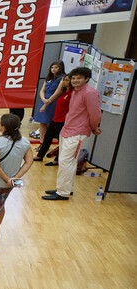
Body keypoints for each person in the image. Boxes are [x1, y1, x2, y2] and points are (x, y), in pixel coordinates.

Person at [44, 66, 102, 201]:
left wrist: (94, 127)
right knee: (68, 162)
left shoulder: (90, 93)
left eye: (79, 78)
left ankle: (62, 192)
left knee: (66, 162)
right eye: (73, 78)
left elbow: (95, 114)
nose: (75, 81)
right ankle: (65, 188)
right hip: (67, 130)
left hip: (77, 132)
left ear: (86, 79)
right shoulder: (75, 91)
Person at [0, 113, 34, 253]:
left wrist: (6, 178)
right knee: (0, 205)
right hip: (10, 184)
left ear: (3, 128)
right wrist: (14, 178)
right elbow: (29, 161)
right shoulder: (25, 143)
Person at [36, 74, 71, 163]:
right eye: (64, 80)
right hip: (55, 118)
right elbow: (57, 91)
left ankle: (57, 160)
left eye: (67, 80)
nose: (64, 82)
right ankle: (40, 156)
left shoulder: (72, 94)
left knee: (61, 141)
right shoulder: (62, 92)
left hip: (63, 120)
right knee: (47, 138)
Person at [34, 61, 66, 139]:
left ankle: (47, 141)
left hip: (53, 101)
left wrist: (47, 103)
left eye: (56, 67)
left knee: (50, 123)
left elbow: (57, 92)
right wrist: (43, 99)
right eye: (52, 67)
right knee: (42, 123)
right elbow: (42, 90)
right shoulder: (48, 77)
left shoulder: (62, 78)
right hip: (44, 100)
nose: (53, 69)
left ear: (60, 68)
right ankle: (41, 142)